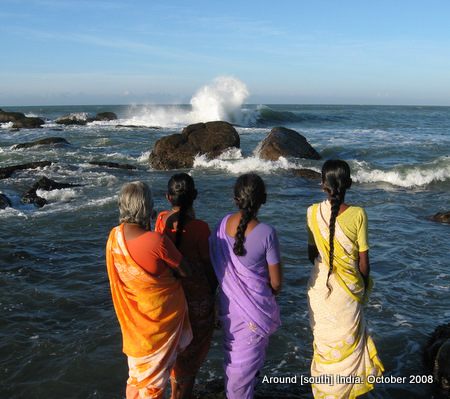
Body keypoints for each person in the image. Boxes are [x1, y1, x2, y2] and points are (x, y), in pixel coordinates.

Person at [106, 181, 193, 399]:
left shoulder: (114, 237)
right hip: (160, 327)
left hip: (135, 328)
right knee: (153, 387)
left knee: (138, 378)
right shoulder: (157, 241)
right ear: (147, 206)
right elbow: (186, 271)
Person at [306, 159, 384, 398]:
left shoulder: (311, 212)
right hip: (347, 292)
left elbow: (312, 256)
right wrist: (362, 286)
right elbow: (364, 264)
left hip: (320, 288)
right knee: (349, 350)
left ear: (322, 185)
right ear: (349, 184)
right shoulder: (358, 215)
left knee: (325, 347)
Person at [209, 173, 283, 399]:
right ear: (264, 199)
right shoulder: (268, 233)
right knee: (243, 370)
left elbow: (213, 270)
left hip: (228, 308)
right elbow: (277, 283)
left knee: (234, 359)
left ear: (235, 198)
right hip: (255, 313)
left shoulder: (221, 226)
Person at [155, 173, 216, 399]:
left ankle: (174, 394)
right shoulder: (200, 227)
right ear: (195, 196)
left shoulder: (161, 220)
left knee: (177, 350)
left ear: (168, 197)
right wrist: (214, 292)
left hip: (172, 296)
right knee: (191, 356)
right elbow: (208, 266)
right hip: (197, 299)